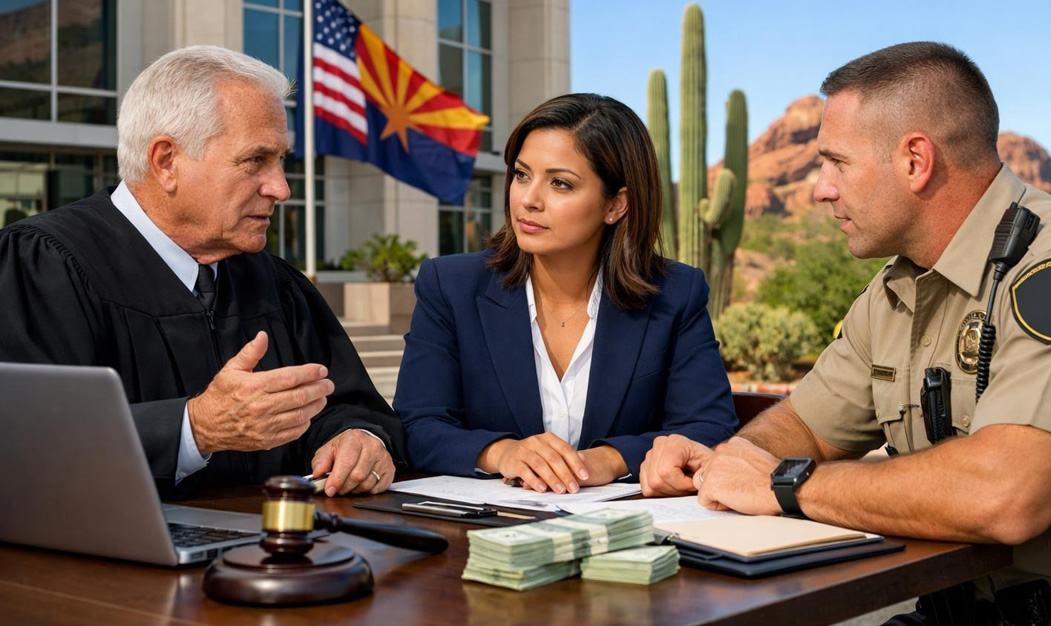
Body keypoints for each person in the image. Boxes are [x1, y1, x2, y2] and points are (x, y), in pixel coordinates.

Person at [641, 42, 1051, 621]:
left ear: (914, 161)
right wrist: (726, 462)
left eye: (836, 163)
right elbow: (805, 421)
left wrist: (784, 484)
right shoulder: (894, 290)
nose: (821, 189)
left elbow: (1007, 496)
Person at [0, 46, 403, 498]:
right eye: (255, 161)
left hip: (275, 553)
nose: (281, 188)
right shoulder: (44, 265)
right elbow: (26, 442)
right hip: (107, 562)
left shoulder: (273, 283)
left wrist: (358, 439)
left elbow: (350, 405)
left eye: (281, 161)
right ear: (167, 161)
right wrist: (194, 429)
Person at [395, 93, 737, 493]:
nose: (528, 199)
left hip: (625, 539)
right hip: (482, 535)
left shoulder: (675, 294)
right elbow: (417, 425)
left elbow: (708, 427)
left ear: (616, 205)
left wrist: (607, 460)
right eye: (522, 175)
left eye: (560, 183)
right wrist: (503, 453)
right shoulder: (450, 285)